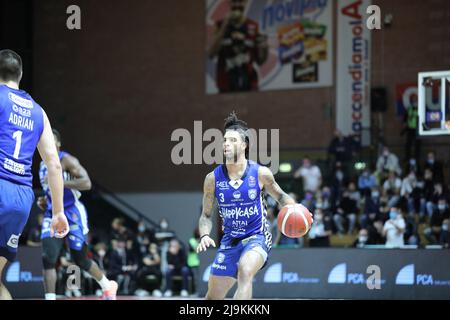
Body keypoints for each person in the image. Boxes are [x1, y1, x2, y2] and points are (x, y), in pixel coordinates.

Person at [196, 112, 305, 300]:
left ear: (244, 145)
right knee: (212, 298)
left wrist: (297, 209)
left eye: (232, 140)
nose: (226, 144)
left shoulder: (260, 173)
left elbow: (281, 196)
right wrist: (205, 234)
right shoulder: (212, 179)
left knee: (245, 271)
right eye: (224, 140)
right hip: (230, 241)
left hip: (257, 237)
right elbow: (206, 215)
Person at [0, 49, 69, 300]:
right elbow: (54, 165)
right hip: (21, 198)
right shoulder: (38, 112)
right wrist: (58, 212)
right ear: (20, 75)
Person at [37, 129, 118, 300]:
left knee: (81, 260)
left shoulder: (66, 159)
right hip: (52, 213)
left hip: (71, 211)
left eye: (51, 140)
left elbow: (87, 182)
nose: (46, 143)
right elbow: (49, 190)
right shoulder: (42, 164)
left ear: (58, 144)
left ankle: (107, 286)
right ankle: (50, 298)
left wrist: (60, 182)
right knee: (48, 257)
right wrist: (44, 200)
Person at [208, 0, 268, 92]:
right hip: (226, 86)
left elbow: (260, 61)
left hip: (249, 85)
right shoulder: (220, 25)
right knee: (230, 107)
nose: (237, 5)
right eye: (234, 2)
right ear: (229, 3)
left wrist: (264, 48)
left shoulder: (253, 26)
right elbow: (211, 54)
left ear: (246, 3)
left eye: (240, 1)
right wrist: (225, 25)